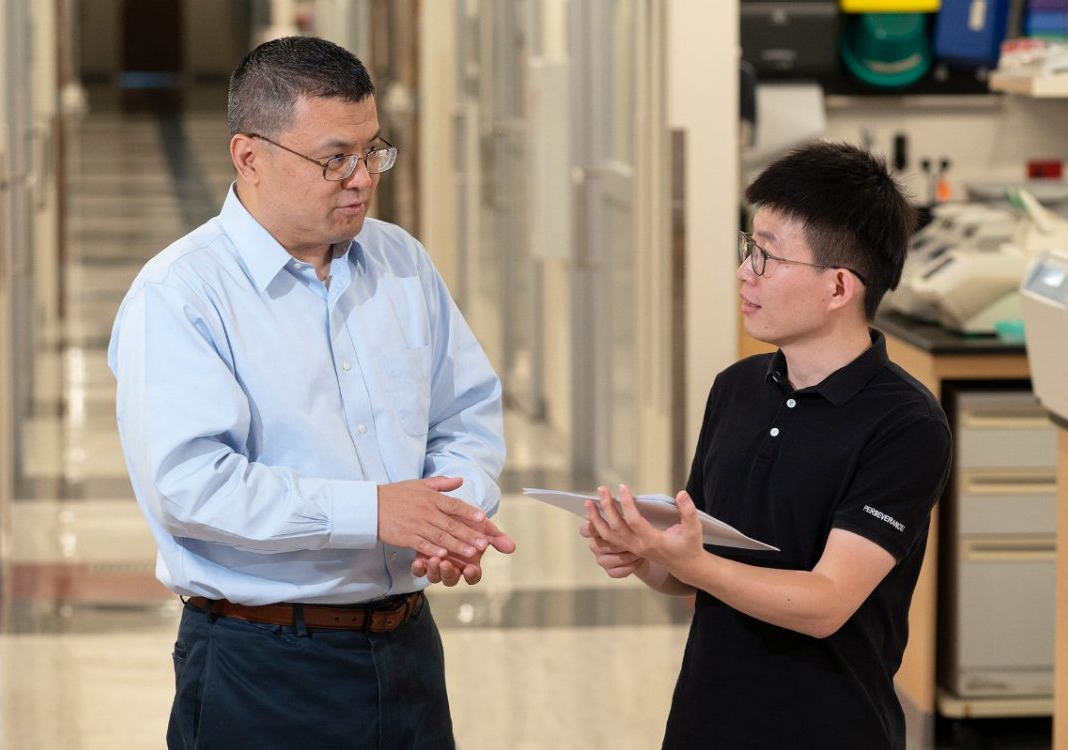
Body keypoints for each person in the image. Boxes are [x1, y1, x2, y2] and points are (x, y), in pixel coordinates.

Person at [108, 36, 514, 750]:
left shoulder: (401, 262)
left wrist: (450, 517)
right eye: (334, 159)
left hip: (407, 650)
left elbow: (464, 412)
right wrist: (377, 511)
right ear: (249, 157)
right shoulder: (181, 296)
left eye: (372, 152)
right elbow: (192, 486)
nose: (361, 179)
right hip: (262, 664)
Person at [579, 141, 951, 749]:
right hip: (706, 723)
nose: (743, 273)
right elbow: (706, 572)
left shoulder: (906, 425)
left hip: (831, 729)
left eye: (767, 257)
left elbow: (827, 601)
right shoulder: (738, 388)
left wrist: (688, 562)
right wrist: (647, 555)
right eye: (748, 247)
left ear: (838, 288)